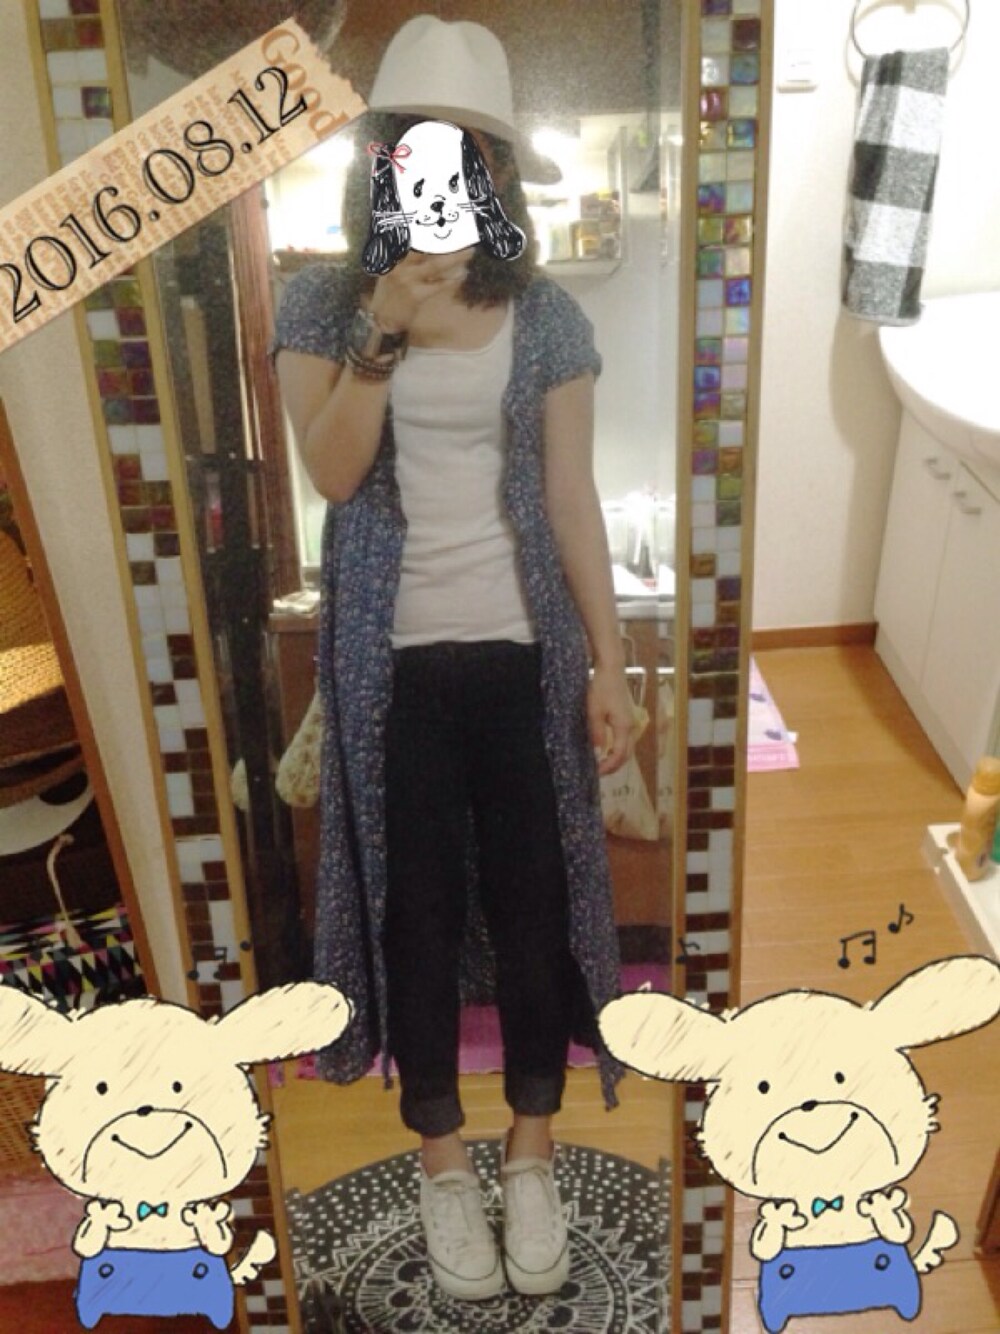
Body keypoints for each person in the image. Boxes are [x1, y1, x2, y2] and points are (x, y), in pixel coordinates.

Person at [273, 15, 634, 1303]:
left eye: (468, 153)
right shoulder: (320, 304)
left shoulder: (546, 317)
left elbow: (573, 499)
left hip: (526, 658)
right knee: (412, 915)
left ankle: (531, 1151)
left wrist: (610, 663)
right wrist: (382, 325)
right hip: (392, 673)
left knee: (537, 910)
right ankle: (439, 1159)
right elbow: (331, 475)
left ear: (497, 170)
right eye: (414, 149)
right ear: (378, 161)